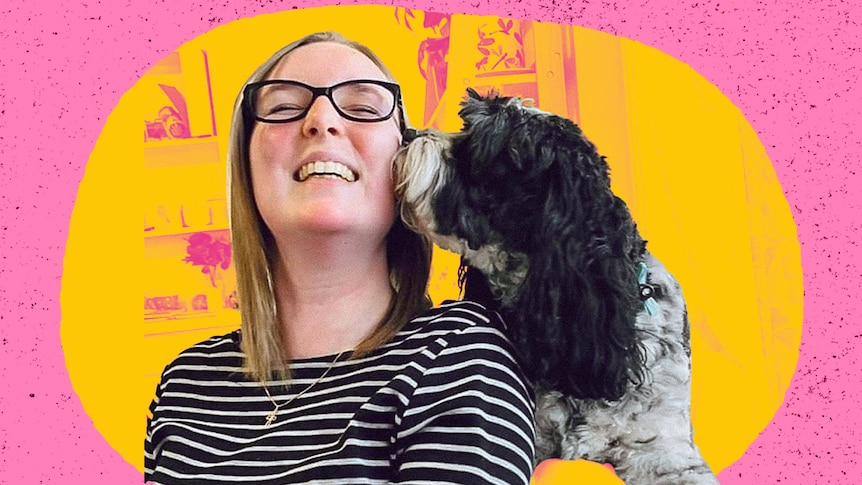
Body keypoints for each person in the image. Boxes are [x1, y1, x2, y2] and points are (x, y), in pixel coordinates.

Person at [145, 31, 535, 484]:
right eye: (284, 108)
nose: (322, 120)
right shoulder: (185, 383)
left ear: (405, 163)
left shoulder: (457, 354)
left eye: (365, 108)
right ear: (246, 167)